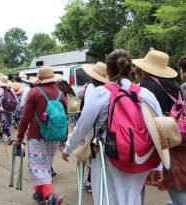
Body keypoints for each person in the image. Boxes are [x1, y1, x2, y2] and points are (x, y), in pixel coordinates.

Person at [62, 49, 162, 205]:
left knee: (107, 197)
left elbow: (82, 125)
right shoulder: (146, 94)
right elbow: (160, 129)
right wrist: (161, 165)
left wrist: (68, 148)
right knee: (133, 197)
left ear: (107, 71)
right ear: (130, 70)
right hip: (140, 155)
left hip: (109, 155)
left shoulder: (101, 93)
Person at [133, 51, 186, 205]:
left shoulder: (146, 85)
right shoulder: (175, 85)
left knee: (139, 183)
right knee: (180, 186)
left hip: (162, 140)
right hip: (179, 137)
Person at [14, 66, 67, 205]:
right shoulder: (60, 94)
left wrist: (19, 136)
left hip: (37, 135)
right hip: (54, 136)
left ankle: (51, 195)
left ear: (40, 79)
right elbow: (64, 117)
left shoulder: (34, 93)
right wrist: (64, 138)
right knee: (45, 165)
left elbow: (25, 117)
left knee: (37, 167)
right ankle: (40, 194)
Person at [78, 62, 109, 192]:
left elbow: (88, 111)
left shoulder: (91, 87)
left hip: (94, 127)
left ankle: (91, 182)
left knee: (93, 153)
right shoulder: (107, 89)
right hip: (106, 128)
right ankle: (94, 180)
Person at [0, 75, 16, 145]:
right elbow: (15, 97)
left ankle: (10, 137)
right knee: (6, 123)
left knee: (4, 124)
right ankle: (0, 136)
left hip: (2, 109)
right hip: (10, 109)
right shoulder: (10, 88)